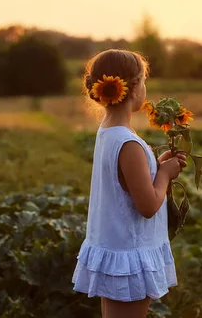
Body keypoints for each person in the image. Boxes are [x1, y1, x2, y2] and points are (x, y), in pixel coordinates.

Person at [72, 49, 187, 318]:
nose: (145, 88)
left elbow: (125, 181)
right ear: (134, 88)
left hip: (115, 248)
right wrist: (165, 175)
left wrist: (156, 166)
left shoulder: (109, 133)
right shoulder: (129, 143)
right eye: (144, 81)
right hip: (129, 254)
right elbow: (147, 205)